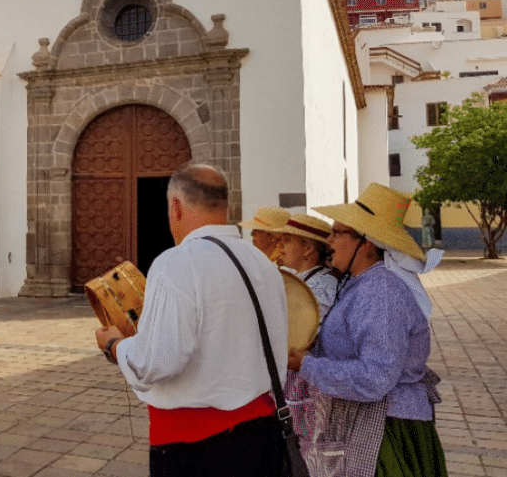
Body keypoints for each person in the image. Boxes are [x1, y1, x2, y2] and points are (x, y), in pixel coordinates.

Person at [95, 163, 288, 476]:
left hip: (196, 445)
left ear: (175, 207)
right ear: (225, 205)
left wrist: (115, 345)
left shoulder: (177, 263)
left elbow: (155, 362)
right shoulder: (262, 264)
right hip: (262, 432)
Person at [288, 183, 447, 477]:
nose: (329, 239)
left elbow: (375, 378)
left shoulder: (380, 293)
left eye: (337, 232)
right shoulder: (361, 285)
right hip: (377, 421)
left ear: (366, 243)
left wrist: (307, 365)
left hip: (389, 429)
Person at [273, 212, 337, 461]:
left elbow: (299, 335)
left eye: (287, 240)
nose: (281, 245)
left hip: (306, 385)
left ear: (308, 249)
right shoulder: (304, 280)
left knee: (305, 454)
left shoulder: (322, 286)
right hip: (294, 382)